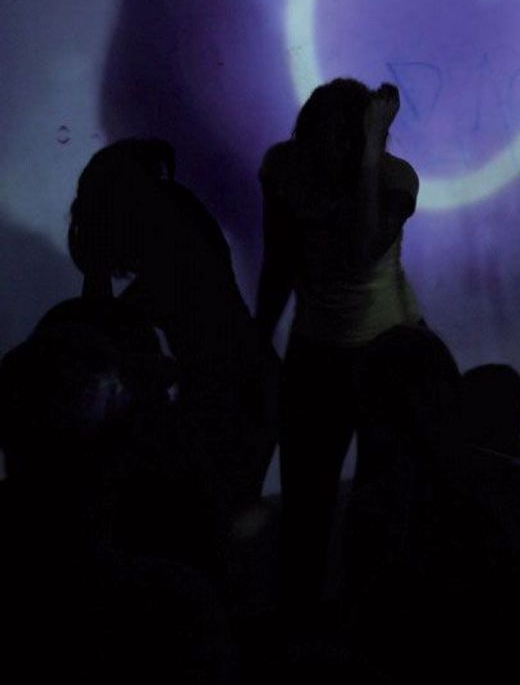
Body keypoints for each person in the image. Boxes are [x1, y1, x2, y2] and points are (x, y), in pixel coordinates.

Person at [256, 77, 423, 622]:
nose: (332, 146)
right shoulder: (284, 170)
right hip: (321, 353)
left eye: (344, 134)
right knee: (308, 501)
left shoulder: (395, 179)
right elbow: (279, 259)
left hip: (387, 356)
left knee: (377, 503)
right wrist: (258, 341)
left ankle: (368, 623)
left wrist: (372, 155)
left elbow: (361, 248)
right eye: (322, 133)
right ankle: (305, 623)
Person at [67, 138, 278, 531]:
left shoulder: (169, 228)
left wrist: (97, 267)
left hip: (234, 393)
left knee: (214, 524)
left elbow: (107, 322)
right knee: (223, 523)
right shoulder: (176, 213)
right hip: (245, 385)